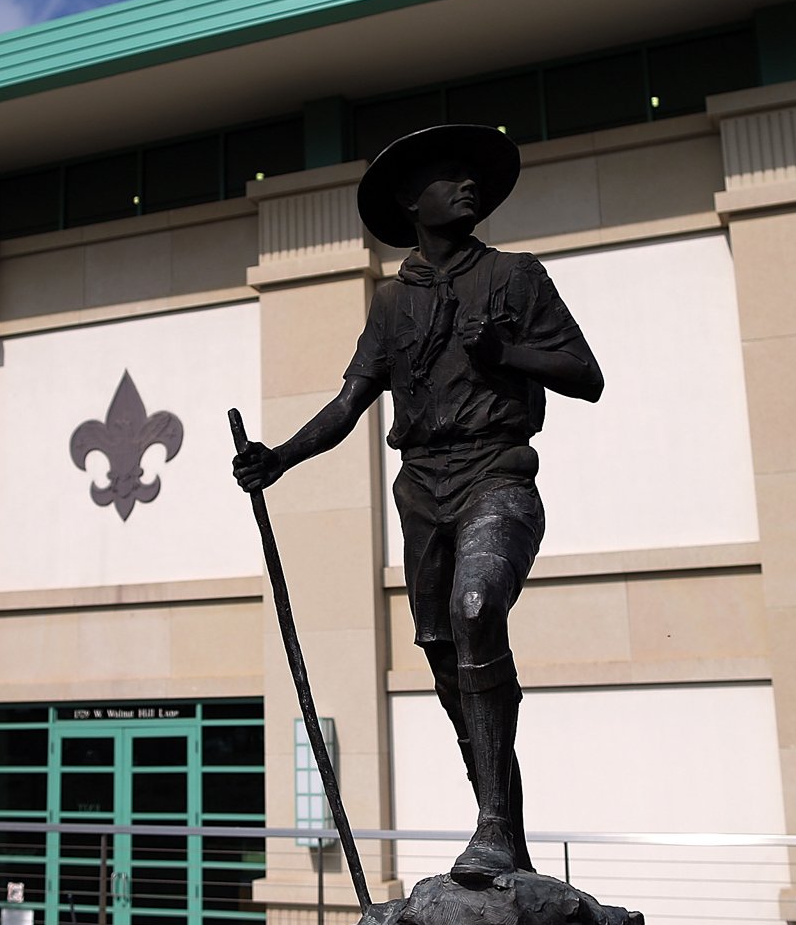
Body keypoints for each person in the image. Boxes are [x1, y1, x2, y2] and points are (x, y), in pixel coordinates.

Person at [234, 124, 603, 884]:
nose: (467, 185)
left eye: (473, 178)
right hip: (422, 490)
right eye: (448, 177)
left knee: (476, 609)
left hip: (498, 475)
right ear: (411, 201)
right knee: (443, 658)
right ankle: (500, 831)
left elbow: (584, 373)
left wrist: (507, 355)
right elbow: (349, 403)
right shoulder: (391, 304)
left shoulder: (515, 276)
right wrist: (279, 459)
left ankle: (496, 825)